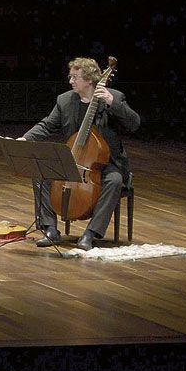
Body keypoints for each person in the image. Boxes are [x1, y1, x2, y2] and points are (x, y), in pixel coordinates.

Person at [22, 57, 140, 250]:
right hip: (74, 158)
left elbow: (135, 124)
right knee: (40, 174)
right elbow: (47, 125)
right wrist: (25, 139)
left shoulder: (114, 97)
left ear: (89, 79)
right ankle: (50, 229)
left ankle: (90, 234)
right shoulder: (65, 100)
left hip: (105, 163)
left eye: (75, 77)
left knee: (115, 181)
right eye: (70, 76)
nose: (71, 81)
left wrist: (112, 103)